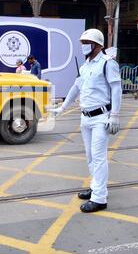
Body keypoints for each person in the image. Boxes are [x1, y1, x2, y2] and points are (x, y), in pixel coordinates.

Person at [48, 28, 122, 213]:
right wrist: (62, 108)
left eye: (86, 43)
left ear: (97, 45)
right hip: (85, 117)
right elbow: (76, 88)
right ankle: (96, 186)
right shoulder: (85, 66)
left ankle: (99, 198)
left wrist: (115, 115)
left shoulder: (107, 64)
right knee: (90, 156)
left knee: (98, 157)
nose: (83, 46)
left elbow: (116, 89)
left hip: (100, 117)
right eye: (82, 43)